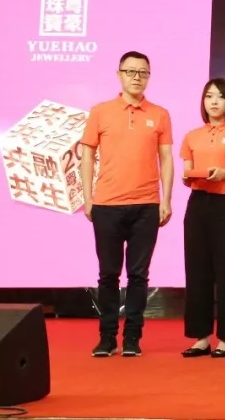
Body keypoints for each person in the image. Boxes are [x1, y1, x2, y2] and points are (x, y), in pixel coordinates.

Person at [81, 51, 174, 358]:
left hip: (146, 205)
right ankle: (107, 337)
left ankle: (132, 337)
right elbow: (87, 156)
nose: (137, 77)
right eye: (131, 71)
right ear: (119, 74)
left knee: (138, 275)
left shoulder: (160, 114)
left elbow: (166, 159)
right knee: (108, 274)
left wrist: (166, 199)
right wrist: (87, 198)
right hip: (107, 205)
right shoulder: (100, 112)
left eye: (143, 72)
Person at [179, 78, 225, 358]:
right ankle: (200, 338)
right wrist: (192, 176)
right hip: (198, 204)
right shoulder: (192, 136)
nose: (213, 101)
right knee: (197, 271)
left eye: (220, 97)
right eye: (209, 96)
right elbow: (187, 175)